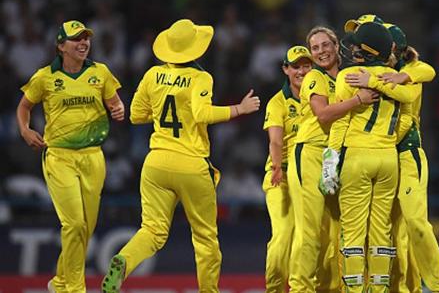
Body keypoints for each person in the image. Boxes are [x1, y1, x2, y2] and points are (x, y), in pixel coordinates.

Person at [101, 19, 260, 293]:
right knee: (205, 237)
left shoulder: (152, 75)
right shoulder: (201, 77)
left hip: (156, 162)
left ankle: (124, 260)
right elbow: (201, 114)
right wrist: (239, 108)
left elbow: (137, 115)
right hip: (190, 164)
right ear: (195, 50)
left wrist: (164, 108)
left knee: (152, 230)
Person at [16, 20, 125, 293]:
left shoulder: (100, 73)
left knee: (85, 228)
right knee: (74, 223)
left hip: (93, 156)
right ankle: (74, 289)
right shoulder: (45, 77)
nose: (83, 42)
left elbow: (114, 101)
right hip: (59, 157)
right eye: (76, 39)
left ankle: (60, 281)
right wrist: (25, 130)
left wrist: (118, 108)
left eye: (86, 38)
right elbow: (24, 106)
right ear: (61, 45)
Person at [345, 22, 439, 293]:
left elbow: (425, 74)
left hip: (405, 154)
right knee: (387, 232)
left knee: (415, 224)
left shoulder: (410, 73)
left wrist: (379, 138)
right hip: (381, 158)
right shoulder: (371, 71)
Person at [321, 21, 414, 293]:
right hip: (388, 159)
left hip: (357, 158)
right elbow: (407, 111)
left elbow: (339, 121)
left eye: (356, 46)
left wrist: (331, 159)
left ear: (366, 50)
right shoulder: (397, 76)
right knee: (381, 230)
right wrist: (386, 142)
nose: (352, 49)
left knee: (352, 232)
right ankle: (380, 290)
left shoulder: (348, 76)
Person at [286, 26, 379, 292]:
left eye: (325, 45)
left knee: (339, 234)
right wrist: (358, 100)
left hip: (338, 156)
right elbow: (324, 114)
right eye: (315, 48)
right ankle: (301, 289)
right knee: (310, 232)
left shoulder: (348, 76)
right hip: (311, 154)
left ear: (337, 45)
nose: (321, 52)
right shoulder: (314, 77)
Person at [262, 45, 313, 292]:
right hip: (279, 175)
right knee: (283, 235)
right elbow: (275, 140)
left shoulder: (319, 96)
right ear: (285, 69)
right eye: (296, 66)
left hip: (309, 176)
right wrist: (276, 167)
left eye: (306, 65)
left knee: (305, 237)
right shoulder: (278, 102)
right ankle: (273, 289)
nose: (302, 71)